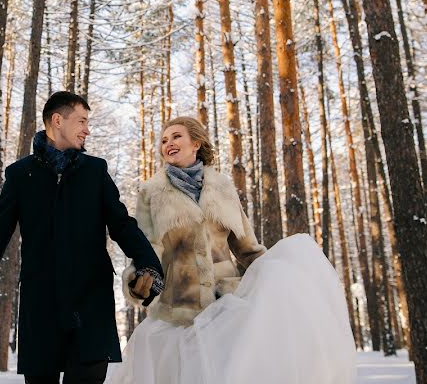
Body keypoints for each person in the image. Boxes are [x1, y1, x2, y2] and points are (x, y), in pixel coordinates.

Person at [110, 116, 357, 384]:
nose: (168, 143)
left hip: (225, 306)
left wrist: (275, 276)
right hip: (179, 309)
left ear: (196, 143)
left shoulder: (222, 187)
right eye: (164, 140)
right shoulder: (151, 192)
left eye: (176, 136)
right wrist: (139, 281)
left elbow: (247, 248)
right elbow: (146, 246)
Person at [0, 91, 164, 384]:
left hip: (91, 307)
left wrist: (149, 265)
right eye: (82, 121)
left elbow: (122, 225)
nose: (87, 129)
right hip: (42, 310)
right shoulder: (20, 175)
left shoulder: (95, 171)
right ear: (57, 120)